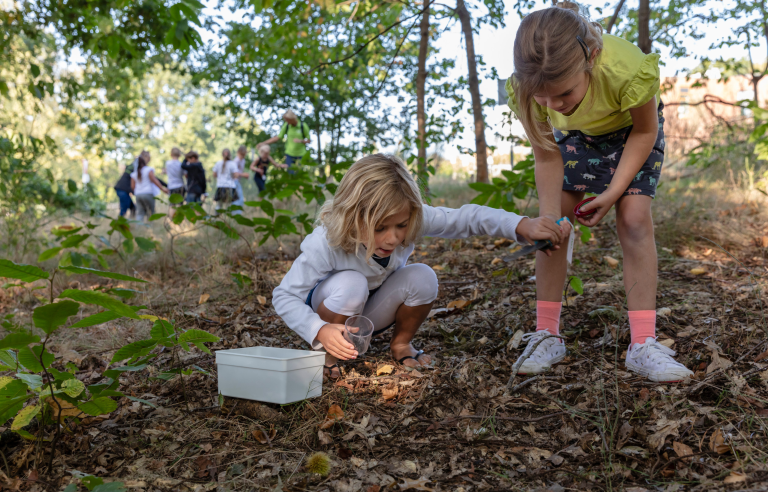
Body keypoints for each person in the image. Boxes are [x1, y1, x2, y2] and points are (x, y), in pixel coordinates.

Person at [506, 2, 692, 382]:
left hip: (632, 134)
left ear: (590, 58)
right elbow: (546, 155)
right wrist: (549, 216)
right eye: (543, 99)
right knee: (552, 229)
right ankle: (547, 334)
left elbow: (644, 132)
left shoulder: (626, 69)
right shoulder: (528, 90)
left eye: (563, 94)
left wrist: (612, 193)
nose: (553, 106)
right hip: (576, 141)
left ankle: (643, 344)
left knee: (634, 219)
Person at [272, 154, 568, 379]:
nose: (393, 237)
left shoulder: (411, 217)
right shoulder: (326, 242)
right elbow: (284, 296)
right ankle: (328, 356)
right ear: (353, 217)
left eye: (401, 225)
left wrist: (520, 225)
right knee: (352, 283)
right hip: (332, 307)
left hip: (369, 313)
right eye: (380, 228)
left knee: (423, 277)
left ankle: (401, 345)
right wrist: (319, 329)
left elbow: (466, 218)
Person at [130, 152, 169, 222]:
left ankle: (139, 229)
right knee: (151, 213)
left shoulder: (134, 174)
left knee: (140, 213)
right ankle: (151, 228)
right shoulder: (148, 170)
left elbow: (133, 187)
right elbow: (154, 180)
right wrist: (163, 189)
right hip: (148, 193)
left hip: (138, 195)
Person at [212, 148, 248, 213]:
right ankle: (234, 218)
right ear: (230, 155)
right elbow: (236, 175)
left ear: (222, 155)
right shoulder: (232, 164)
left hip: (220, 187)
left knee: (219, 205)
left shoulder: (218, 163)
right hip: (231, 187)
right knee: (234, 204)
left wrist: (220, 177)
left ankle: (215, 219)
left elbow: (214, 175)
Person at [230, 146, 249, 215]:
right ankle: (236, 214)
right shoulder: (236, 161)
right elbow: (234, 174)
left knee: (238, 199)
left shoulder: (243, 160)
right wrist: (244, 175)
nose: (243, 156)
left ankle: (236, 214)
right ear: (238, 153)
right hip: (234, 182)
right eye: (242, 154)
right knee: (238, 199)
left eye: (244, 154)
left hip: (238, 182)